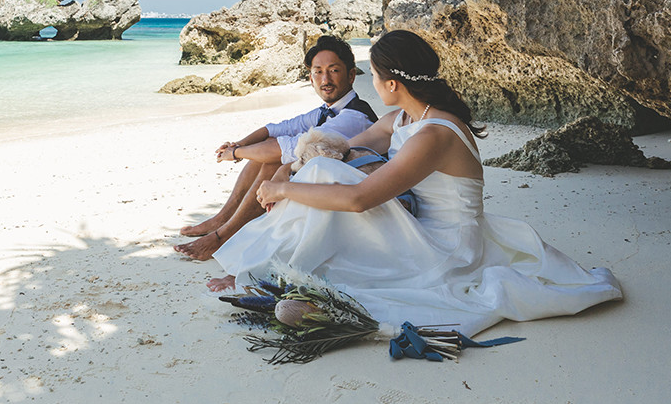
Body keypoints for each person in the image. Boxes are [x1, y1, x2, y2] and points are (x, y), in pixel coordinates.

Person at [207, 29, 623, 339]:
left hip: (447, 246)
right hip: (415, 225)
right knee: (320, 169)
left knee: (326, 181)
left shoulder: (434, 134)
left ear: (392, 83)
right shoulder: (402, 119)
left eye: (374, 75)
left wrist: (281, 189)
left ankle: (268, 276)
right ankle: (267, 273)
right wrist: (288, 167)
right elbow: (337, 149)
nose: (371, 83)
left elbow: (359, 199)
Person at [175, 35, 376, 262]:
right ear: (311, 78)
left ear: (351, 75)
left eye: (334, 70)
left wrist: (235, 154)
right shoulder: (326, 110)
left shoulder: (354, 116)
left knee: (272, 159)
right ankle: (222, 220)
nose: (325, 79)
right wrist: (240, 143)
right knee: (265, 153)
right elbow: (277, 129)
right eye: (318, 72)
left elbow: (286, 148)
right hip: (328, 179)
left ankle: (223, 236)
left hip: (350, 192)